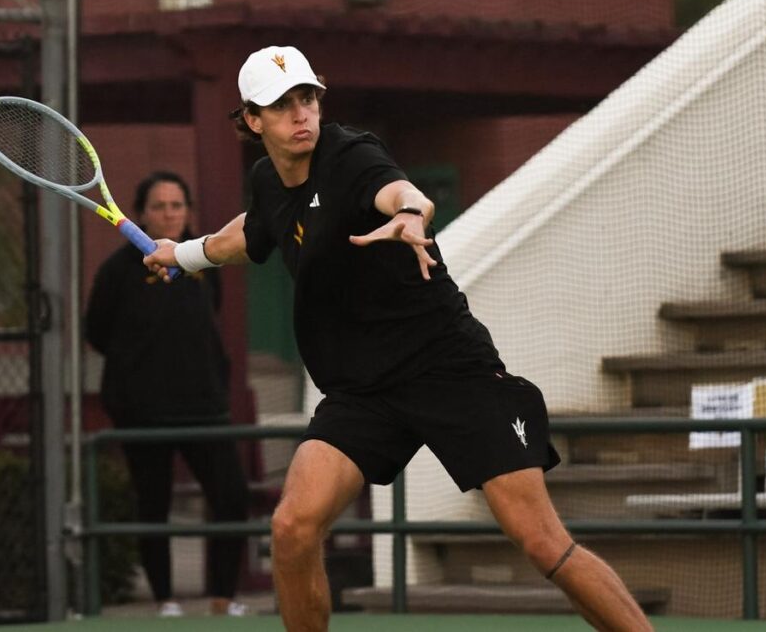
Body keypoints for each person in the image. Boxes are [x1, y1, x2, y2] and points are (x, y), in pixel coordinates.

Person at [143, 45, 654, 631]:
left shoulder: (352, 155)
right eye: (282, 105)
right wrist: (185, 254)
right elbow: (254, 230)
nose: (301, 114)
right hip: (363, 392)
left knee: (542, 543)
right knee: (291, 529)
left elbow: (400, 192)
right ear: (253, 121)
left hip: (447, 369)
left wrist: (413, 215)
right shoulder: (267, 181)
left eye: (307, 97)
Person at [85, 171, 249, 618]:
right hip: (144, 412)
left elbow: (208, 316)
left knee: (232, 498)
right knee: (152, 505)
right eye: (159, 206)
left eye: (177, 205)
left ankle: (222, 598)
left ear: (188, 212)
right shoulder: (117, 271)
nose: (169, 214)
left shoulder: (204, 258)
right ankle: (166, 601)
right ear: (140, 213)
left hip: (205, 407)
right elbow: (96, 332)